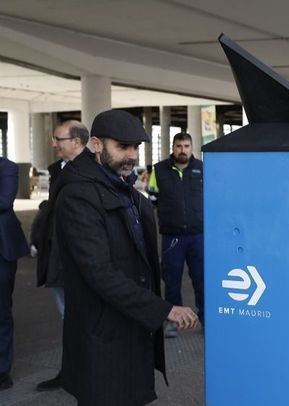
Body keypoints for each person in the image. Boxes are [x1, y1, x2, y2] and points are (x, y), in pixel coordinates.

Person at [53, 109, 198, 405]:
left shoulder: (125, 189)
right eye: (122, 147)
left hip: (131, 323)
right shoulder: (78, 195)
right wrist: (163, 309)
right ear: (96, 144)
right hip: (102, 331)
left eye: (135, 147)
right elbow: (99, 272)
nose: (131, 155)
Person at [34, 120, 90, 391]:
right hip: (57, 254)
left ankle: (89, 374)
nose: (53, 144)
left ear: (77, 142)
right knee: (67, 317)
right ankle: (70, 372)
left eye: (58, 139)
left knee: (86, 318)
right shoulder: (57, 169)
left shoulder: (95, 167)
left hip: (83, 257)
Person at [148, 132, 204, 337]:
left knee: (201, 279)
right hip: (172, 237)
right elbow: (152, 199)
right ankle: (173, 321)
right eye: (179, 146)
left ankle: (206, 319)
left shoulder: (202, 169)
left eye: (186, 146)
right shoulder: (159, 170)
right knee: (171, 280)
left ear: (192, 147)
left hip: (198, 236)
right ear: (173, 147)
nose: (183, 150)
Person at [0, 157, 30, 390]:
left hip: (1, 250)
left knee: (1, 311)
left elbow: (4, 201)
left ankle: (2, 371)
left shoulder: (7, 167)